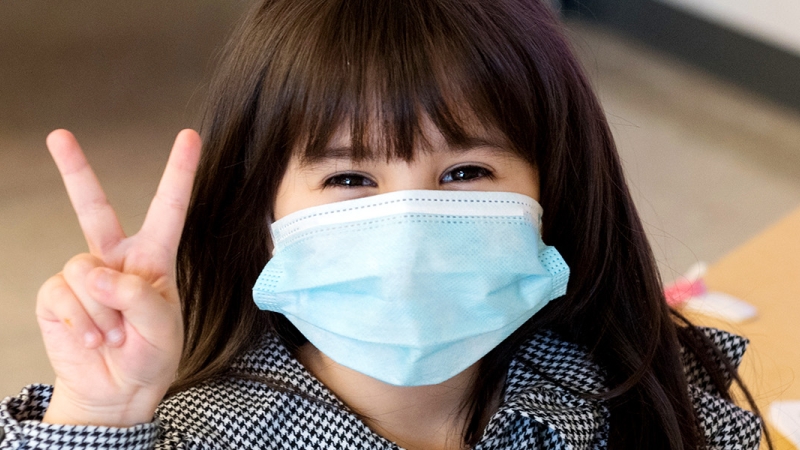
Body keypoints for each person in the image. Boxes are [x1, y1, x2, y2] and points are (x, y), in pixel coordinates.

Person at [0, 0, 768, 449]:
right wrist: (98, 415)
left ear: (554, 192)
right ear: (260, 213)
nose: (408, 231)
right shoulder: (191, 434)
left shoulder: (618, 397)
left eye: (465, 173)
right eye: (349, 179)